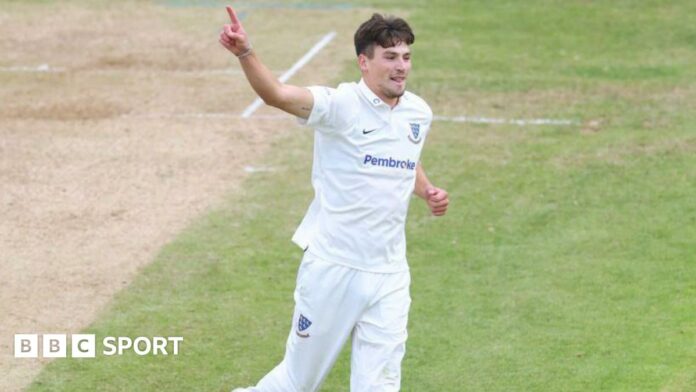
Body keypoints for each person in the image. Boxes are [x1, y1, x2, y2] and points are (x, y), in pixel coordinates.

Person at [219, 6, 449, 391]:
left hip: (390, 273)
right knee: (298, 382)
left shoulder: (417, 112)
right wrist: (246, 52)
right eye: (390, 57)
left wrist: (425, 189)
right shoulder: (339, 106)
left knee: (380, 385)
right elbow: (276, 94)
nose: (402, 67)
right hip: (333, 268)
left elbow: (406, 157)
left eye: (406, 57)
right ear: (364, 62)